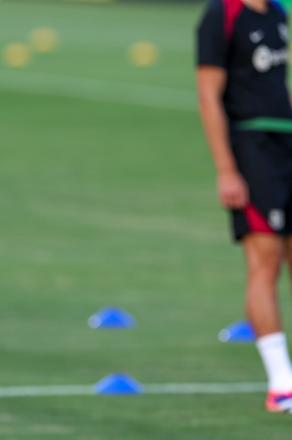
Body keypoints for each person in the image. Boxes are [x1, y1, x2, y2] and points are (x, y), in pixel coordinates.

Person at [196, 0, 292, 413]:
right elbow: (207, 95)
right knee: (265, 260)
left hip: (286, 143)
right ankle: (281, 383)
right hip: (251, 148)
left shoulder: (278, 13)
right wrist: (226, 168)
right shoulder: (222, 15)